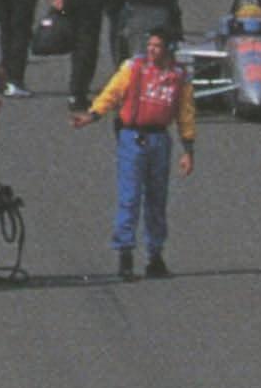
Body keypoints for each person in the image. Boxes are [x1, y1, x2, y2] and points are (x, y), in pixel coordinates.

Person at [73, 27, 195, 281]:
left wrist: (188, 150)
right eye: (150, 45)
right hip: (133, 138)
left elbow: (185, 114)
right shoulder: (134, 68)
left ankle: (155, 256)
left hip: (160, 140)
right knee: (129, 198)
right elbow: (112, 93)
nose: (152, 50)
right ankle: (125, 256)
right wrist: (93, 115)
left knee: (157, 200)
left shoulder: (179, 77)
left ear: (168, 49)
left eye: (157, 46)